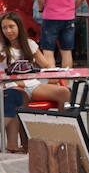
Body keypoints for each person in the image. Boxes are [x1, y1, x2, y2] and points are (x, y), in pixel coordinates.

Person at [0, 11, 71, 151]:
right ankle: (24, 144)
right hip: (12, 87)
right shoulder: (1, 48)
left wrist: (54, 77)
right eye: (4, 28)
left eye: (11, 26)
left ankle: (66, 134)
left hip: (33, 84)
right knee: (21, 97)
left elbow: (46, 65)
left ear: (19, 27)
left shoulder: (30, 44)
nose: (8, 31)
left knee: (64, 92)